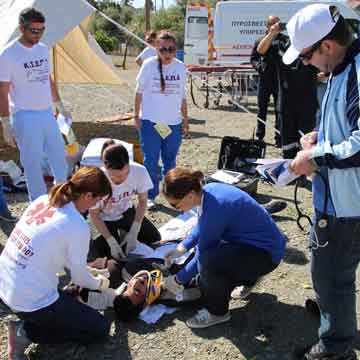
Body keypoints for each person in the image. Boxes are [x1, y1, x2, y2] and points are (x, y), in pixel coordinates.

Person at [284, 4, 360, 359]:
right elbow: (347, 130)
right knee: (331, 278)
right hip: (339, 199)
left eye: (305, 55)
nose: (305, 63)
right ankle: (338, 328)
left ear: (327, 46)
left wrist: (314, 157)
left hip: (346, 206)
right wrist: (319, 137)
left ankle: (334, 348)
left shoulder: (355, 71)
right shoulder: (341, 69)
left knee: (331, 278)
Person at [0, 167, 112, 360]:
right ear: (87, 195)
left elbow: (54, 250)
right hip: (31, 300)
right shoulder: (76, 225)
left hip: (6, 284)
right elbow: (78, 278)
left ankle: (36, 318)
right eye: (98, 199)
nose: (97, 204)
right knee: (99, 328)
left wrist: (86, 270)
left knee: (68, 302)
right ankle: (25, 333)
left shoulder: (44, 200)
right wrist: (100, 284)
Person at [162, 167, 286, 329]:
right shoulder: (209, 190)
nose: (175, 209)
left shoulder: (216, 207)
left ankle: (218, 313)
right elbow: (203, 224)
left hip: (266, 255)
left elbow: (203, 254)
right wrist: (182, 247)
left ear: (190, 195)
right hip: (265, 246)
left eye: (175, 205)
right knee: (217, 259)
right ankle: (248, 279)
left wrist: (178, 280)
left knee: (209, 262)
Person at [0, 7, 69, 201]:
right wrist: (6, 123)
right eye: (34, 30)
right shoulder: (8, 54)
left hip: (46, 112)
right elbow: (2, 92)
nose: (38, 35)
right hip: (24, 115)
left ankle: (61, 196)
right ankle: (36, 203)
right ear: (22, 29)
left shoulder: (42, 49)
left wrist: (59, 105)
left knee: (59, 157)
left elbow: (47, 79)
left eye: (41, 30)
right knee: (32, 163)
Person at [134, 31, 189, 209]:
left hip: (173, 123)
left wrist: (185, 119)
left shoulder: (180, 67)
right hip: (151, 122)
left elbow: (182, 96)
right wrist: (136, 116)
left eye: (171, 49)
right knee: (151, 160)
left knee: (170, 161)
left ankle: (171, 193)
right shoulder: (149, 65)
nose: (167, 53)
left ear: (176, 50)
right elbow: (138, 92)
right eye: (163, 49)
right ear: (156, 49)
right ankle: (150, 195)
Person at [257, 16, 318, 159]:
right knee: (288, 142)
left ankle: (307, 171)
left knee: (307, 140)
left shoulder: (313, 45)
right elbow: (261, 50)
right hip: (286, 102)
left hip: (307, 103)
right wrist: (272, 33)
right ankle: (291, 170)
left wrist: (319, 75)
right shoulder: (281, 43)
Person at [90, 141, 161, 260]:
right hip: (104, 218)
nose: (121, 179)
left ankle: (126, 233)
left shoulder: (139, 171)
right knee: (110, 255)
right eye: (115, 176)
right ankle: (116, 238)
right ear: (105, 167)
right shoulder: (97, 179)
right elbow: (94, 214)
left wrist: (135, 229)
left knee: (154, 238)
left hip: (126, 211)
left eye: (126, 173)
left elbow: (143, 201)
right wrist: (110, 241)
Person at [251, 16, 282, 146]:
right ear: (267, 26)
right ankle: (260, 136)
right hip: (264, 80)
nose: (276, 25)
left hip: (279, 80)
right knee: (261, 109)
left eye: (277, 23)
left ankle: (279, 137)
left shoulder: (284, 40)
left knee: (279, 110)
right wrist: (259, 67)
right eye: (273, 23)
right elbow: (253, 58)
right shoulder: (260, 41)